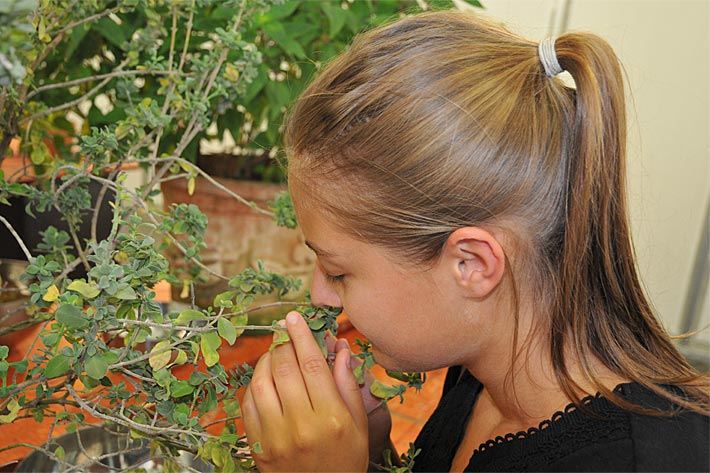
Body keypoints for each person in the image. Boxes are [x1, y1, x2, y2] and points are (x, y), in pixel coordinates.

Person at [240, 8, 710, 473]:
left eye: (338, 272)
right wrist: (371, 456)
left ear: (471, 265)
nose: (319, 295)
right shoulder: (480, 375)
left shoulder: (635, 460)